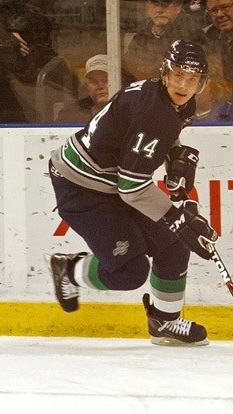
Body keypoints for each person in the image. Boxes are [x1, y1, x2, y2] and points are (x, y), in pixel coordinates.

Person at [47, 40, 218, 346]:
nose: (183, 85)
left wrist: (175, 160)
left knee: (175, 244)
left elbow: (154, 142)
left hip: (113, 179)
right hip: (81, 185)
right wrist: (177, 217)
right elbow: (133, 186)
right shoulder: (152, 111)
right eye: (178, 74)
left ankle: (165, 322)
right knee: (130, 272)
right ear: (165, 72)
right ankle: (68, 269)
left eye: (192, 79)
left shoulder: (176, 103)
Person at [124, 0, 208, 82]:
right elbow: (127, 72)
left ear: (178, 6)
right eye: (154, 2)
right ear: (147, 6)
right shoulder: (140, 38)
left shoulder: (191, 34)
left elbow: (194, 75)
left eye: (165, 3)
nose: (159, 10)